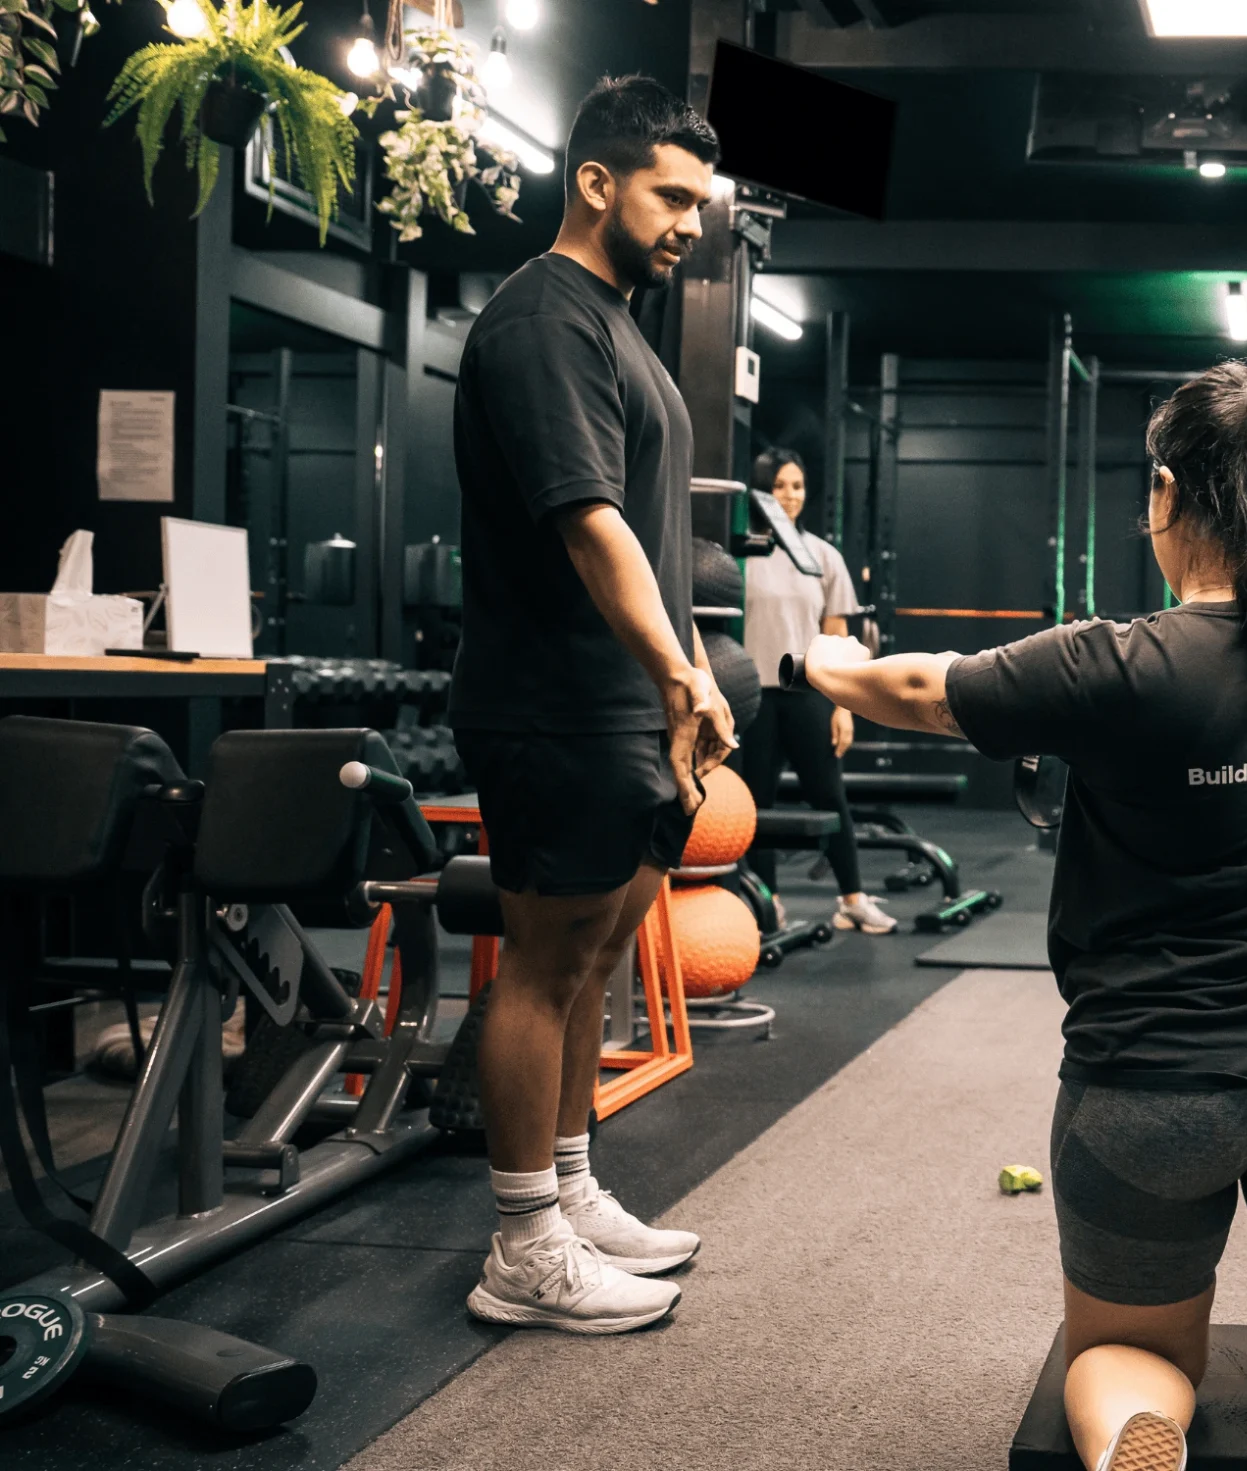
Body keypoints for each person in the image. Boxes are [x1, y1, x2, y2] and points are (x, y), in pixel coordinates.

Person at [796, 361, 1247, 1471]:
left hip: (1146, 1087)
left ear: (1165, 492)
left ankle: (1135, 1438)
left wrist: (821, 656)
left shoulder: (1113, 666)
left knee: (1127, 1352)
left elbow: (913, 688)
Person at [447, 75, 734, 1333]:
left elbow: (656, 541)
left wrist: (691, 676)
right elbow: (589, 523)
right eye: (672, 196)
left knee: (594, 961)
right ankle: (521, 1244)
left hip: (630, 703)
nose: (691, 224)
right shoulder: (541, 322)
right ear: (597, 183)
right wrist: (675, 672)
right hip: (556, 700)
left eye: (700, 202)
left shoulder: (617, 325)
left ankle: (566, 1187)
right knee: (543, 964)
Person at [739, 447, 895, 934]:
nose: (789, 496)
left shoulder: (824, 556)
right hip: (752, 694)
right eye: (778, 486)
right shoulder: (740, 554)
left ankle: (852, 900)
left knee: (829, 795)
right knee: (755, 804)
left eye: (797, 486)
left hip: (807, 692)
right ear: (759, 492)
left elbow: (836, 637)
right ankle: (767, 904)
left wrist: (842, 706)